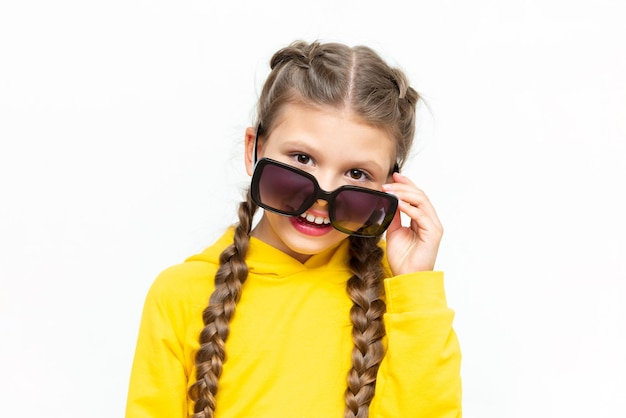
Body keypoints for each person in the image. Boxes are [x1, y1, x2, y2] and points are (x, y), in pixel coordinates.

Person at [125, 40, 462, 418]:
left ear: (390, 184)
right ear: (254, 149)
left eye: (356, 173)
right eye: (302, 158)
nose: (324, 195)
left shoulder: (400, 299)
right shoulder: (181, 295)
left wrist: (415, 289)